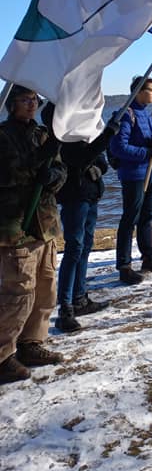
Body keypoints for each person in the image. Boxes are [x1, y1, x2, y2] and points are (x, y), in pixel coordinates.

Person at [0, 85, 67, 384]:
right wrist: (39, 163)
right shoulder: (3, 136)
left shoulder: (42, 134)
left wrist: (54, 176)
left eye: (34, 100)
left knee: (45, 289)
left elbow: (60, 168)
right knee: (19, 292)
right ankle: (3, 354)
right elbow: (8, 174)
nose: (31, 104)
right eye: (25, 100)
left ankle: (31, 343)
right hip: (17, 226)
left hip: (45, 223)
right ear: (11, 103)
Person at [41, 102, 120, 334]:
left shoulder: (81, 130)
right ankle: (65, 308)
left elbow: (100, 160)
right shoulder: (59, 133)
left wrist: (98, 167)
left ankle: (79, 298)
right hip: (74, 196)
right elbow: (80, 158)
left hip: (90, 194)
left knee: (85, 246)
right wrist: (107, 136)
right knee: (74, 248)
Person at [110, 77, 152, 285]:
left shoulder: (146, 113)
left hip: (151, 172)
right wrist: (146, 152)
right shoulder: (126, 115)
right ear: (139, 91)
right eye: (151, 90)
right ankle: (124, 266)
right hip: (134, 175)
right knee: (130, 219)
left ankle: (148, 257)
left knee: (147, 216)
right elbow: (119, 147)